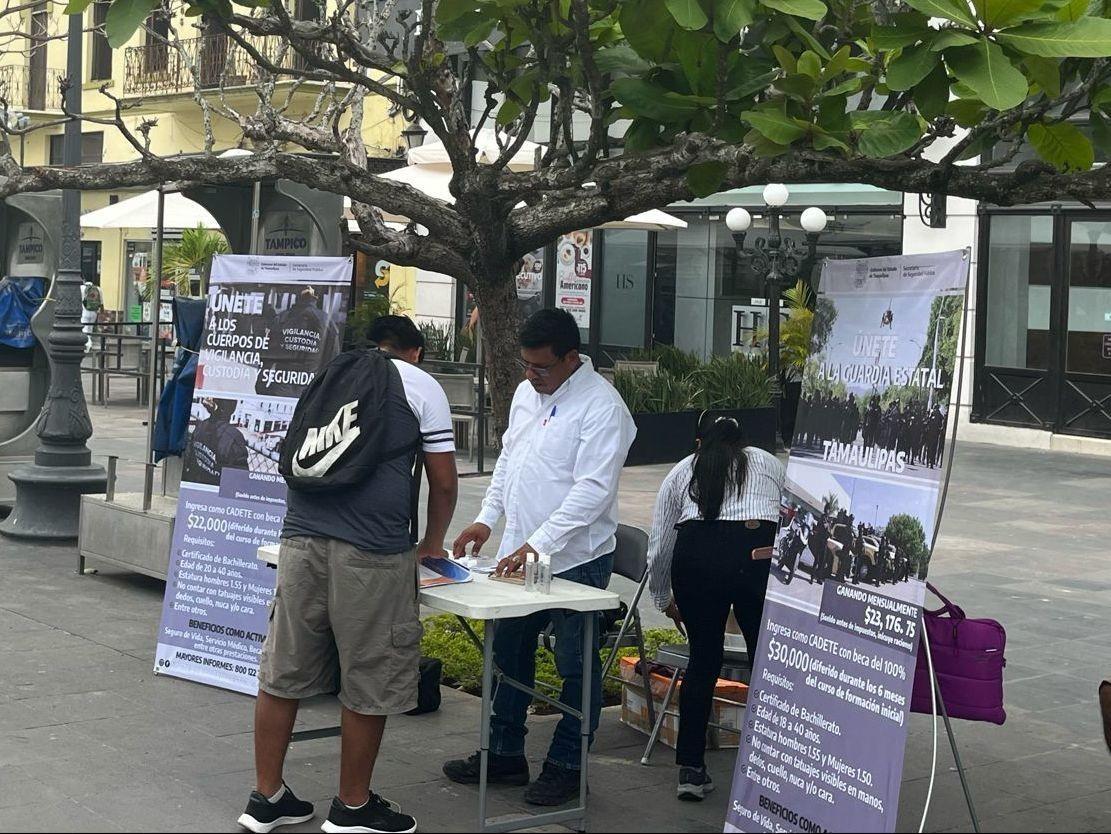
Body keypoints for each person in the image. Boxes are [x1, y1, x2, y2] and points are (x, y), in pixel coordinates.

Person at [239, 315, 458, 834]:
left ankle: (267, 797)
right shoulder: (421, 384)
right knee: (370, 674)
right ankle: (353, 807)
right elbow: (443, 481)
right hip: (374, 552)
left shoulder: (330, 373)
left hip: (299, 541)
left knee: (283, 669)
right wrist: (431, 543)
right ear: (416, 352)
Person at [444, 308, 636, 807]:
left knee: (576, 663)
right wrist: (488, 517)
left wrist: (540, 542)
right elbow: (510, 458)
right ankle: (505, 752)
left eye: (541, 367)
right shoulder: (529, 393)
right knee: (508, 652)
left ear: (572, 358)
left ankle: (568, 765)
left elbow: (592, 491)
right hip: (519, 552)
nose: (530, 376)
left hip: (577, 556)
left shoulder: (602, 407)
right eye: (525, 366)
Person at [644, 413, 785, 801]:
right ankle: (770, 766)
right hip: (756, 554)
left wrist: (662, 598)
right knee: (765, 664)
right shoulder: (768, 462)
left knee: (704, 662)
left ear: (697, 443)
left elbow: (659, 545)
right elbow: (790, 519)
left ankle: (691, 770)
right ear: (742, 442)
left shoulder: (682, 470)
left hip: (697, 558)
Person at [182, 397, 249, 486]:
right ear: (232, 408)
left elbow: (191, 458)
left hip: (196, 484)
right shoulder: (234, 437)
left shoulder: (200, 426)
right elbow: (242, 481)